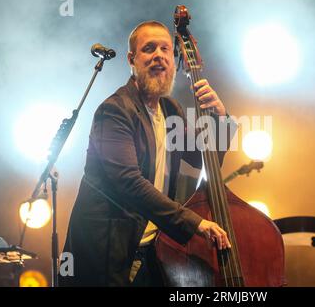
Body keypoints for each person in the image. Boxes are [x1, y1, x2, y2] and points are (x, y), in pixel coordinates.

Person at [59, 20, 234, 286]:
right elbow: (129, 181)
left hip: (152, 251)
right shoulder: (115, 110)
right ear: (132, 59)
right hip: (108, 255)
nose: (158, 56)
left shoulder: (171, 109)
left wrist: (221, 119)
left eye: (165, 49)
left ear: (174, 62)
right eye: (148, 49)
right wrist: (195, 223)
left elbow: (203, 160)